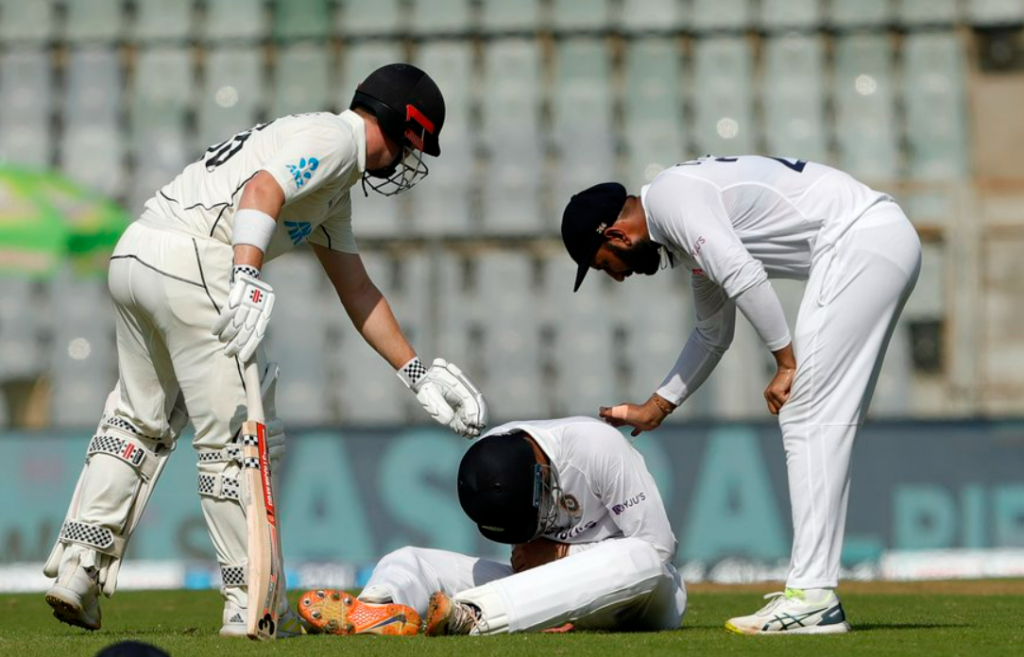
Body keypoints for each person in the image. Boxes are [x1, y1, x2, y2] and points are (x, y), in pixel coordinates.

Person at [42, 63, 488, 637]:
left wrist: (417, 373)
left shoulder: (334, 190)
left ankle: (78, 570)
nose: (406, 161)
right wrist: (247, 271)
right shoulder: (334, 141)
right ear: (406, 126)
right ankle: (248, 604)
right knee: (237, 441)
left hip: (137, 253)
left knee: (136, 422)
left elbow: (358, 291)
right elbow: (262, 191)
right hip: (193, 256)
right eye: (412, 146)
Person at [560, 155, 921, 635]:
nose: (617, 276)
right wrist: (657, 406)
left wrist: (786, 361)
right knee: (812, 414)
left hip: (860, 239)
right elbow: (712, 334)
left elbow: (744, 273)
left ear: (617, 235)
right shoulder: (686, 232)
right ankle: (813, 593)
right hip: (873, 241)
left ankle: (812, 597)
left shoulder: (670, 197)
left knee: (806, 411)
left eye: (604, 265)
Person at [296, 416, 686, 636]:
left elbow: (659, 545)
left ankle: (471, 615)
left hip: (641, 601)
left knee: (642, 557)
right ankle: (376, 609)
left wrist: (564, 554)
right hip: (545, 590)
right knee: (412, 559)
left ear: (543, 477)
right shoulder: (496, 454)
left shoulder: (596, 446)